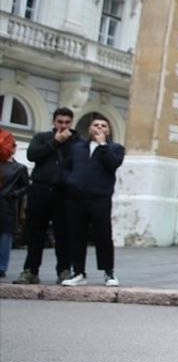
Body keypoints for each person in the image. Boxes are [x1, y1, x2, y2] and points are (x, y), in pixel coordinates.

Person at [14, 107, 77, 285]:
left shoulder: (76, 141)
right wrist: (55, 142)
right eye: (60, 122)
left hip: (63, 191)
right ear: (54, 122)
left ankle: (64, 270)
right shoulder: (42, 138)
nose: (63, 126)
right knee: (35, 231)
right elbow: (32, 155)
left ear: (71, 123)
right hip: (41, 188)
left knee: (63, 233)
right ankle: (30, 270)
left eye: (67, 122)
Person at [61, 114, 125, 287]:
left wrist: (103, 144)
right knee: (76, 235)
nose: (99, 128)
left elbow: (112, 164)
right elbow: (66, 167)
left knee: (103, 235)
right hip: (76, 197)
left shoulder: (115, 148)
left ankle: (108, 272)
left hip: (100, 197)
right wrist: (70, 180)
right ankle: (78, 272)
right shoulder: (77, 147)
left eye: (103, 126)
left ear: (108, 131)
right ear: (89, 129)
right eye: (96, 125)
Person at [0, 127, 30, 279]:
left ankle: (1, 266)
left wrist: (13, 195)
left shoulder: (19, 168)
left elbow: (25, 186)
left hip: (7, 205)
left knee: (5, 236)